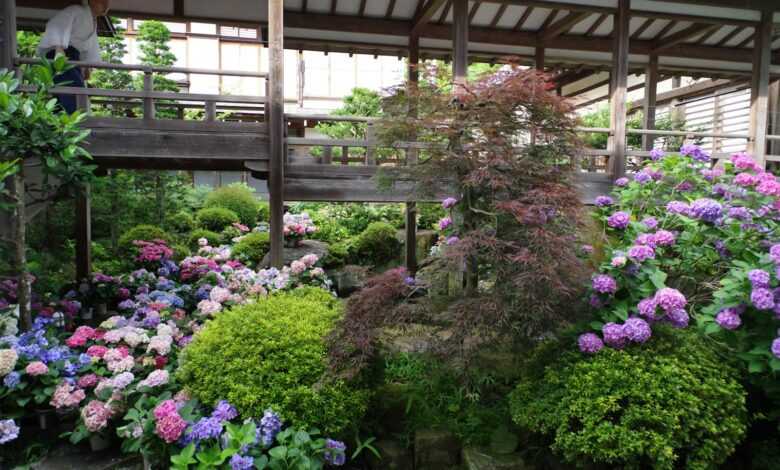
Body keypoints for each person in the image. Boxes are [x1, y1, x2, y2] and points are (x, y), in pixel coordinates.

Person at [36, 0, 111, 113]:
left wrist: (87, 67)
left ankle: (58, 121)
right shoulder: (76, 10)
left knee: (65, 90)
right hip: (61, 54)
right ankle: (75, 122)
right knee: (74, 90)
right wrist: (59, 48)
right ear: (92, 1)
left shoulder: (92, 20)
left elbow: (89, 46)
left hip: (74, 57)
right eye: (102, 2)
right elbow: (56, 24)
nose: (106, 6)